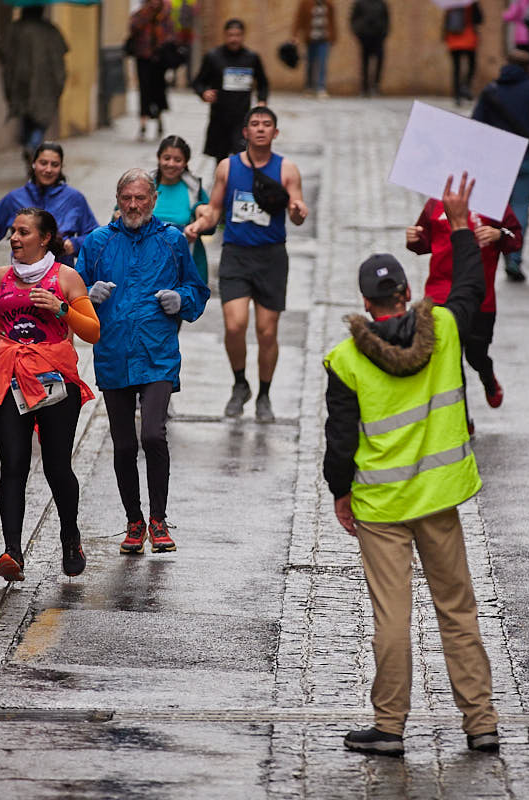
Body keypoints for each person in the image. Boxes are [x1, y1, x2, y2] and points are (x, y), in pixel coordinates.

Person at [324, 173, 499, 757]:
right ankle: (480, 723)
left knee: (392, 618)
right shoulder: (444, 327)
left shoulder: (347, 358)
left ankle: (390, 726)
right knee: (458, 608)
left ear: (365, 304)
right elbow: (470, 286)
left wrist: (339, 493)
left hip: (380, 505)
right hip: (440, 499)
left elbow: (341, 438)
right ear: (405, 292)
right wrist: (458, 224)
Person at [76, 169, 210, 554]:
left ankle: (159, 519)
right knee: (122, 445)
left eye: (140, 198)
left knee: (153, 434)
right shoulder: (98, 242)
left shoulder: (171, 241)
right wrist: (88, 293)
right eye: (126, 198)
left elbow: (197, 288)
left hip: (157, 353)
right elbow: (69, 290)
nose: (133, 205)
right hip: (115, 353)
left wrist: (181, 300)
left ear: (153, 200)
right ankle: (134, 521)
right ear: (118, 199)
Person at [0, 208, 99, 582]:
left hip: (55, 380)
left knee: (56, 466)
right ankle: (12, 551)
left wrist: (61, 308)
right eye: (13, 232)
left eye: (23, 233)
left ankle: (70, 535)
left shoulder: (65, 277)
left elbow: (93, 331)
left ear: (45, 238)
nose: (14, 238)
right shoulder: (1, 276)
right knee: (12, 465)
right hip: (11, 375)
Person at [184, 107, 308, 423]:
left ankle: (264, 395)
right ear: (246, 132)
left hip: (271, 258)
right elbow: (214, 209)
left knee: (267, 333)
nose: (261, 129)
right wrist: (201, 224)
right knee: (235, 325)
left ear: (275, 133)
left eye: (267, 125)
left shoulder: (287, 169)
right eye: (255, 124)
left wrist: (297, 211)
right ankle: (240, 384)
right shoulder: (228, 167)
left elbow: (296, 208)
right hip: (236, 255)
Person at [407, 198, 522, 414]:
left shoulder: (493, 201)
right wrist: (414, 239)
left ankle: (487, 376)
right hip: (440, 296)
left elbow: (515, 239)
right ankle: (461, 418)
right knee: (449, 362)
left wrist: (499, 235)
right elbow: (424, 242)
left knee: (475, 355)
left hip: (481, 299)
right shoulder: (436, 202)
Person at [471, 50, 529, 282]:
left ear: (506, 65)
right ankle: (514, 256)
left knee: (493, 210)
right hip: (523, 158)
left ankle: (489, 259)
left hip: (494, 161)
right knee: (519, 208)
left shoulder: (491, 91)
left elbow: (476, 125)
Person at [0, 142, 100, 265]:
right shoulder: (14, 198)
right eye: (43, 163)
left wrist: (75, 244)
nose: (48, 169)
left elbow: (96, 238)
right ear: (33, 164)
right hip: (21, 276)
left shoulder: (74, 199)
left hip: (60, 277)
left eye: (54, 164)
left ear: (61, 167)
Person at [193, 19, 269, 162]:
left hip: (242, 117)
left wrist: (262, 101)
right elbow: (198, 82)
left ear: (243, 36)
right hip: (219, 117)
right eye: (230, 35)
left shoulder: (251, 58)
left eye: (238, 35)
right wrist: (203, 93)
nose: (234, 39)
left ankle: (239, 184)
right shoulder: (213, 57)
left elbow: (263, 83)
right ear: (224, 35)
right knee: (220, 160)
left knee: (242, 157)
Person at [0, 6, 68, 159]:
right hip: (46, 84)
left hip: (20, 81)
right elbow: (61, 56)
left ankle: (29, 145)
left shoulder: (15, 29)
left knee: (26, 116)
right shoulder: (51, 30)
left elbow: (4, 51)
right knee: (41, 119)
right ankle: (32, 145)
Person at [152, 135, 211, 283]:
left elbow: (211, 224)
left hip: (184, 269)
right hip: (146, 269)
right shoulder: (143, 186)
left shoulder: (194, 190)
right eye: (166, 158)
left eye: (177, 160)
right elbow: (119, 217)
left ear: (185, 163)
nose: (171, 164)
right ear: (159, 158)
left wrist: (198, 224)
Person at [128, 0, 176, 142]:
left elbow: (171, 35)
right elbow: (133, 28)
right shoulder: (141, 13)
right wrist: (146, 15)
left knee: (159, 90)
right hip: (143, 57)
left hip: (160, 59)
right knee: (144, 90)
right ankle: (143, 124)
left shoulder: (166, 15)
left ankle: (160, 121)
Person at [292, 0, 337, 98]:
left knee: (322, 62)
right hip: (310, 39)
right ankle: (309, 87)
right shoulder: (306, 3)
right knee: (310, 63)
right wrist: (295, 35)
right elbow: (299, 19)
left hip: (324, 39)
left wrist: (333, 37)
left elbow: (332, 21)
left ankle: (321, 88)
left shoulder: (329, 3)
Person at [444, 3, 482, 105]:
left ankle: (457, 95)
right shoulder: (471, 3)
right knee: (472, 65)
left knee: (456, 68)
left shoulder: (450, 4)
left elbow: (446, 22)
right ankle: (465, 86)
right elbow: (480, 19)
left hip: (453, 39)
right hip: (469, 38)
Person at [350, 0, 389, 96]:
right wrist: (358, 32)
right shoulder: (360, 3)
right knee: (364, 62)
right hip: (365, 36)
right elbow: (353, 19)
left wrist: (384, 33)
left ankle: (376, 86)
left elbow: (386, 20)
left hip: (378, 37)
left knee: (379, 61)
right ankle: (364, 88)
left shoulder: (381, 4)